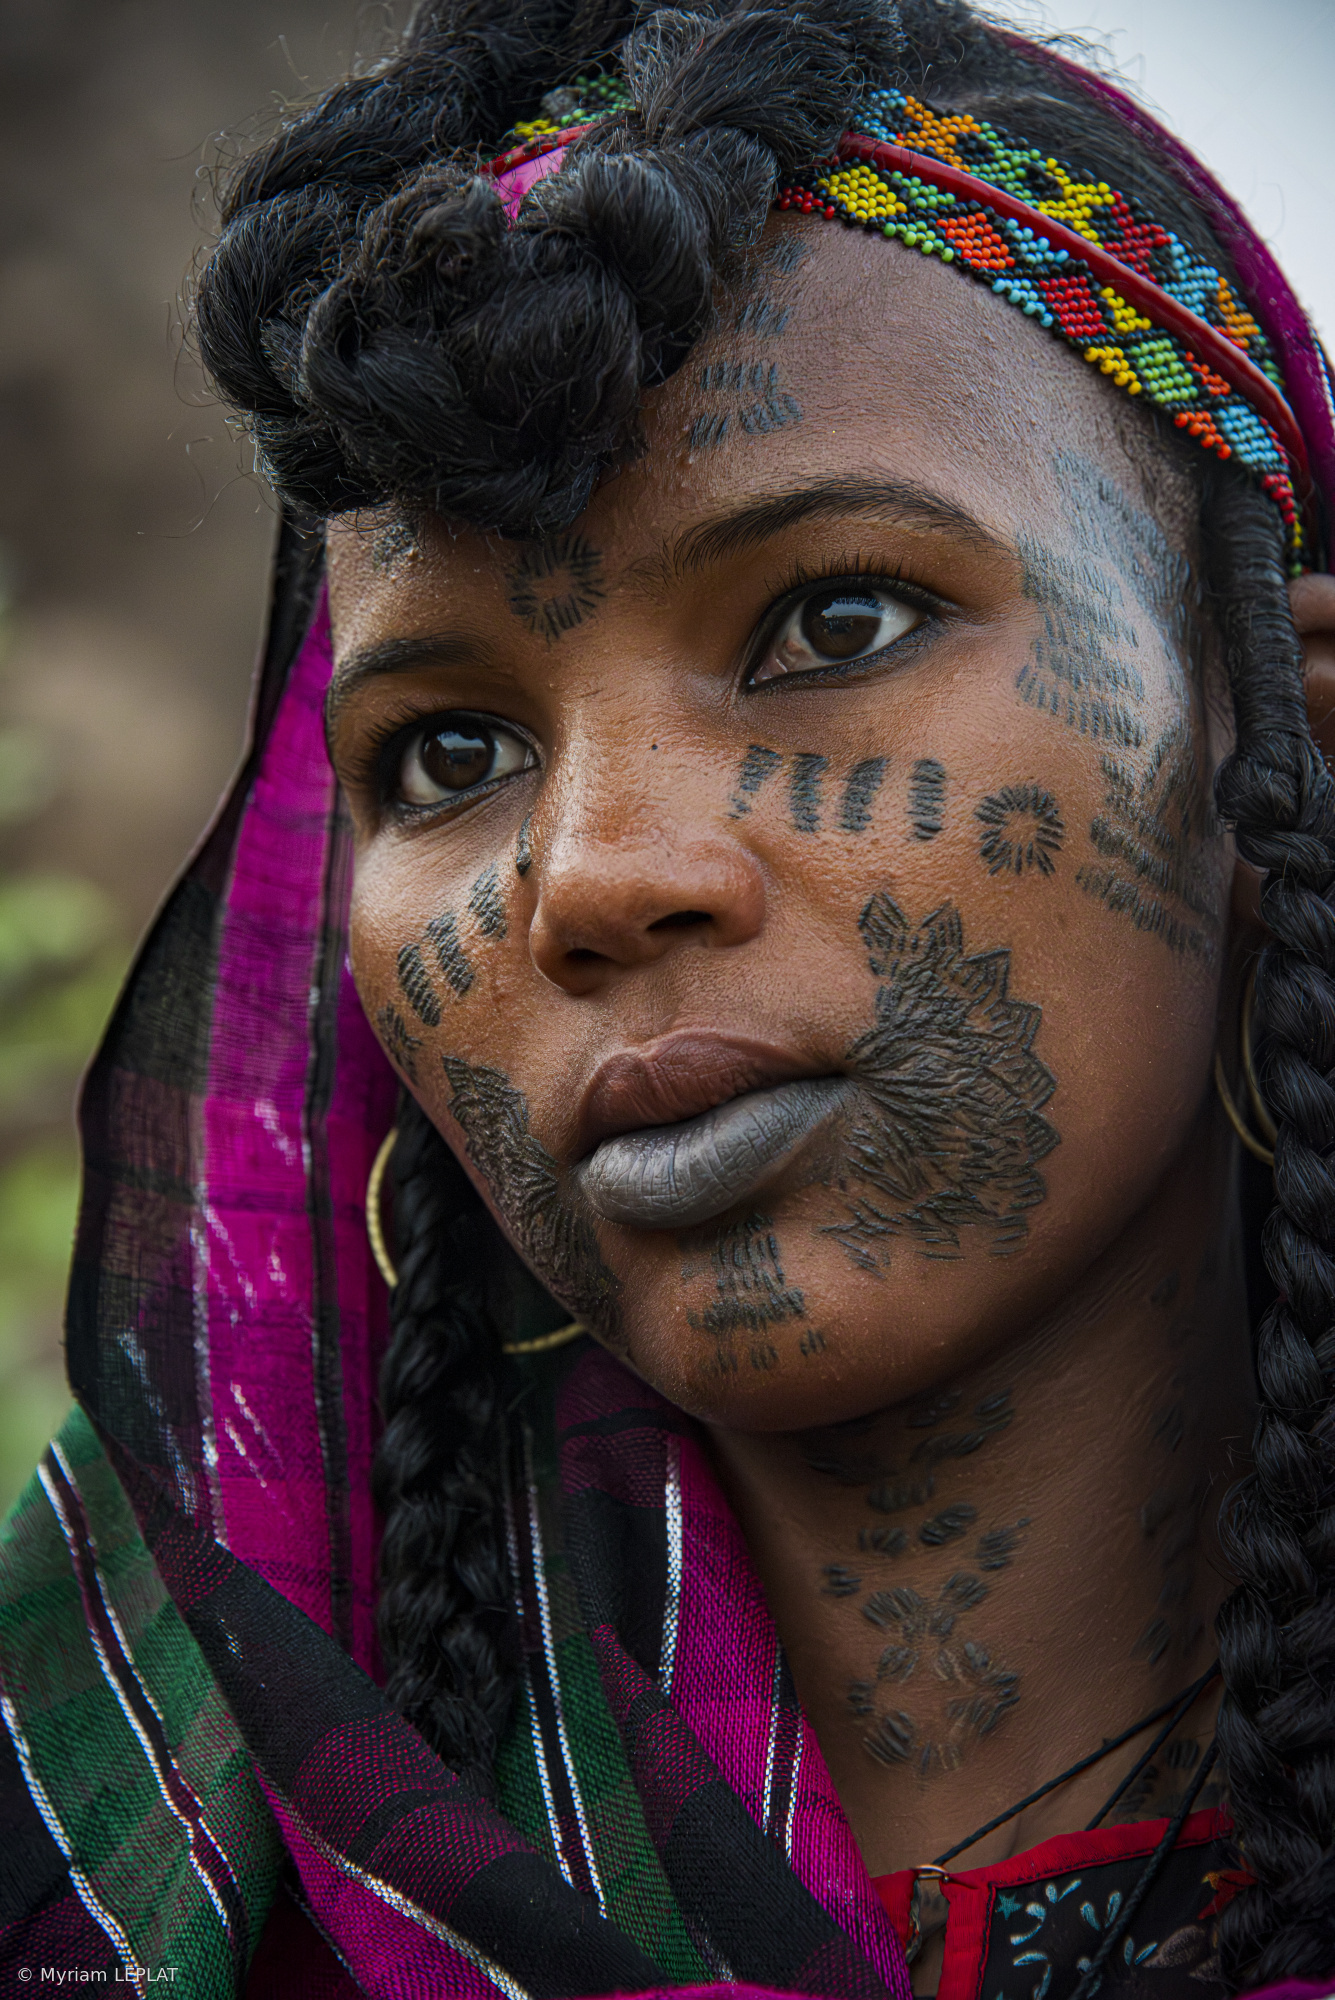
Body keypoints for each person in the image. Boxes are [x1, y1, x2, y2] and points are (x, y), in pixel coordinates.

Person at [2, 0, 1334, 1994]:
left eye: (831, 617)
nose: (599, 877)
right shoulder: (120, 1783)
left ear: (1278, 733)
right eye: (447, 755)